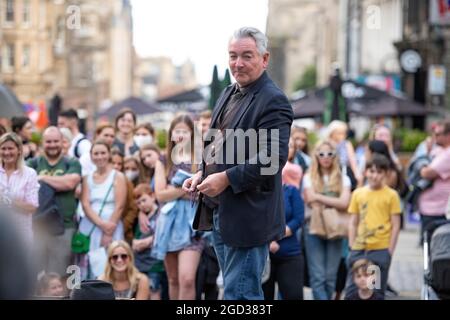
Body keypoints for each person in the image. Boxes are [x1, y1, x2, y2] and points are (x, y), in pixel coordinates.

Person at [183, 27, 293, 300]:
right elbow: (214, 143)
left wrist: (226, 179)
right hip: (219, 212)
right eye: (233, 56)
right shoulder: (228, 92)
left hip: (248, 217)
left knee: (240, 295)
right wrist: (200, 172)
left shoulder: (273, 99)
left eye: (247, 56)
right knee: (234, 291)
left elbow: (273, 158)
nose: (238, 63)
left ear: (264, 59)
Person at [153, 114, 203, 300]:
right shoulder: (164, 159)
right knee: (173, 279)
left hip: (192, 225)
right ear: (171, 134)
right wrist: (187, 190)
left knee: (187, 278)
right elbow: (160, 194)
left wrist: (173, 190)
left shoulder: (200, 158)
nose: (181, 135)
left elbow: (202, 195)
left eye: (185, 131)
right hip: (168, 224)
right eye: (177, 131)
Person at [344, 154, 401, 299]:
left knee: (375, 291)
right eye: (371, 171)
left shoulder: (391, 195)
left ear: (386, 174)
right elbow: (353, 222)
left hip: (380, 249)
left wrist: (389, 251)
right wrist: (351, 245)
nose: (374, 176)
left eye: (379, 172)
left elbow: (396, 225)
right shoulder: (358, 194)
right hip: (359, 248)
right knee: (352, 290)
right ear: (366, 172)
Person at [28, 127, 82, 277]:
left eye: (56, 141)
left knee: (60, 275)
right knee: (34, 275)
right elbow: (26, 183)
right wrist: (58, 182)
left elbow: (70, 183)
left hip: (64, 227)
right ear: (42, 143)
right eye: (48, 141)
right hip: (37, 227)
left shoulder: (71, 162)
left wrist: (42, 179)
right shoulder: (33, 163)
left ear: (62, 142)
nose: (52, 145)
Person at [303, 140, 351, 300]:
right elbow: (309, 199)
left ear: (335, 156)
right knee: (317, 276)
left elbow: (345, 203)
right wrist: (332, 200)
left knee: (331, 276)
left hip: (336, 228)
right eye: (321, 153)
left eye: (329, 153)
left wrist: (318, 197)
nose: (325, 157)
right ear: (315, 156)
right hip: (313, 228)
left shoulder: (343, 177)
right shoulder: (308, 176)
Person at [263, 137, 304, 300]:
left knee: (293, 295)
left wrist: (277, 236)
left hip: (289, 253)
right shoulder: (260, 194)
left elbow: (298, 218)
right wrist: (268, 241)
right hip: (264, 254)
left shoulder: (291, 191)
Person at [79, 141, 127, 279]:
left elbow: (120, 206)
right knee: (89, 265)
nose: (99, 157)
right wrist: (101, 224)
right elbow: (85, 204)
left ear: (109, 154)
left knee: (110, 263)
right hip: (91, 226)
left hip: (112, 226)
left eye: (103, 153)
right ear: (91, 156)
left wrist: (108, 231)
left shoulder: (118, 176)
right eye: (96, 153)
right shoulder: (87, 178)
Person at [0, 133, 39, 246]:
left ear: (19, 150)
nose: (7, 152)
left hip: (21, 237)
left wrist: (7, 199)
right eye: (3, 149)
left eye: (11, 148)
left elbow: (32, 207)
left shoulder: (29, 174)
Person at [418, 120, 450, 238]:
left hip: (437, 210)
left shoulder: (448, 154)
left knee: (435, 249)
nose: (434, 137)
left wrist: (422, 166)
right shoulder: (440, 150)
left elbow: (426, 173)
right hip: (429, 208)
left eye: (437, 134)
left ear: (448, 135)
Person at [133, 184, 164, 300]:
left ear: (152, 196)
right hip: (139, 263)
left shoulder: (160, 214)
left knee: (154, 290)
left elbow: (160, 235)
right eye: (138, 203)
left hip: (154, 264)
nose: (141, 205)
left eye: (143, 200)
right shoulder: (141, 217)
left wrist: (144, 242)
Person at [327, 120, 362, 189]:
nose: (343, 135)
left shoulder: (346, 144)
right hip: (330, 172)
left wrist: (357, 174)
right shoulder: (327, 143)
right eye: (339, 133)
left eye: (344, 133)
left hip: (345, 171)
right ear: (332, 133)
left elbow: (352, 160)